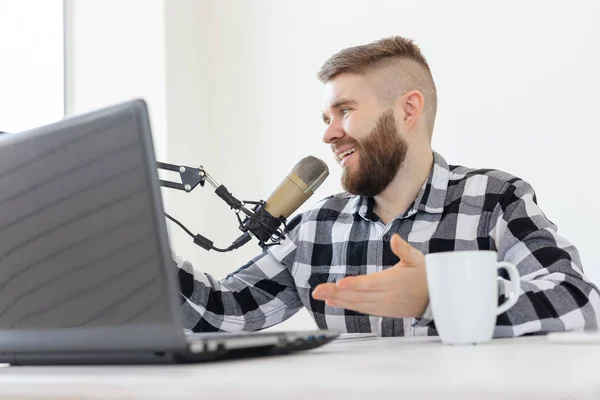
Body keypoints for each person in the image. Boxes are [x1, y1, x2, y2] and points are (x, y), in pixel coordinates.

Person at [175, 36, 600, 337]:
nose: (329, 135)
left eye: (345, 111)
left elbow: (580, 302)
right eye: (326, 119)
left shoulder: (495, 201)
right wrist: (142, 249)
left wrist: (438, 297)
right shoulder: (315, 226)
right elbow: (223, 312)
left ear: (408, 110)